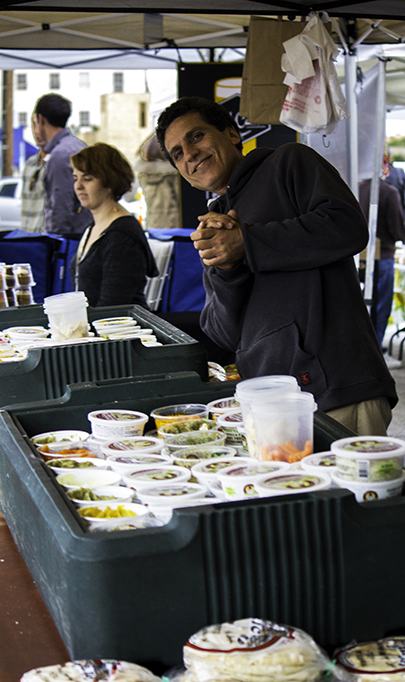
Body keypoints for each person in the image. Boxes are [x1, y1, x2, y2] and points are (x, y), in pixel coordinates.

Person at [156, 96, 397, 435]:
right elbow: (223, 332)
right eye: (177, 153)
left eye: (196, 136)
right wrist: (227, 267)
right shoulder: (217, 225)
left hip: (337, 390)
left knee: (355, 489)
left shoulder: (289, 163)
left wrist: (248, 242)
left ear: (231, 133)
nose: (189, 154)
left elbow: (348, 227)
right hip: (270, 404)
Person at [69, 143, 158, 308]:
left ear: (109, 181)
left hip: (117, 331)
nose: (78, 185)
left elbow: (112, 307)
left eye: (87, 178)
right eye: (76, 178)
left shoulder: (121, 236)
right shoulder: (93, 227)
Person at [33, 93, 93, 237]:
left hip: (70, 241)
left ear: (40, 119)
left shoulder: (60, 156)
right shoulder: (79, 146)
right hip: (85, 234)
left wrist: (54, 245)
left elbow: (60, 208)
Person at [359, 176, 405, 350]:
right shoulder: (388, 192)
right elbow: (398, 229)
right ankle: (376, 351)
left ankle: (367, 350)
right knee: (381, 308)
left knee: (363, 307)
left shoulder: (356, 189)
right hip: (383, 256)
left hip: (358, 256)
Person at [134, 133, 180, 228]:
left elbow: (129, 197)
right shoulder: (175, 175)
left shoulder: (144, 175)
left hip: (154, 225)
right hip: (177, 225)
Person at [20, 112, 47, 233]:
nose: (37, 131)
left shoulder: (59, 162)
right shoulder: (30, 163)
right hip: (27, 237)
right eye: (34, 125)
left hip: (48, 240)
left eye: (41, 125)